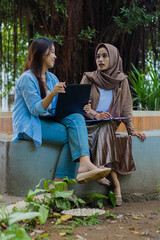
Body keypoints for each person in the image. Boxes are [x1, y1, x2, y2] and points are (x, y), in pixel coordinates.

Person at [12, 38, 111, 186]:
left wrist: (78, 105)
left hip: (47, 119)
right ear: (40, 54)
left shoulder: (52, 78)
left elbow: (57, 108)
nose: (55, 56)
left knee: (77, 116)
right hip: (29, 123)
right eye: (51, 52)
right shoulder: (27, 78)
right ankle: (60, 182)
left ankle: (83, 163)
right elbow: (34, 110)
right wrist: (52, 93)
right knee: (70, 136)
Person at [81, 43, 146, 206]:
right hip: (88, 125)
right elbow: (81, 106)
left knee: (108, 124)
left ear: (114, 58)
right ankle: (116, 185)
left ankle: (101, 168)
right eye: (98, 56)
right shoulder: (88, 78)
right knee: (107, 127)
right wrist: (96, 114)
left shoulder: (121, 80)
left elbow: (126, 107)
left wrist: (131, 130)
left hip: (108, 125)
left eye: (104, 56)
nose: (100, 60)